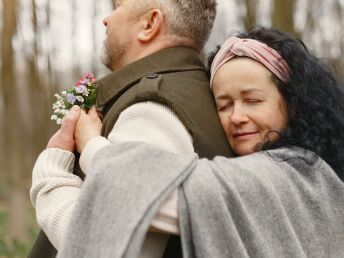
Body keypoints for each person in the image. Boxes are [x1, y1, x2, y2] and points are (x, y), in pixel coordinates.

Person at [43, 27, 344, 257]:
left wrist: (75, 155)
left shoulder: (291, 172)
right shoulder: (312, 169)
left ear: (292, 103)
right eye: (224, 105)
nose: (237, 116)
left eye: (252, 100)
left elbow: (156, 200)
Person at [29, 0, 232, 258]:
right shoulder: (193, 88)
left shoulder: (152, 109)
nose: (106, 19)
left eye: (118, 6)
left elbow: (110, 247)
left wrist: (51, 174)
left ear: (149, 24)